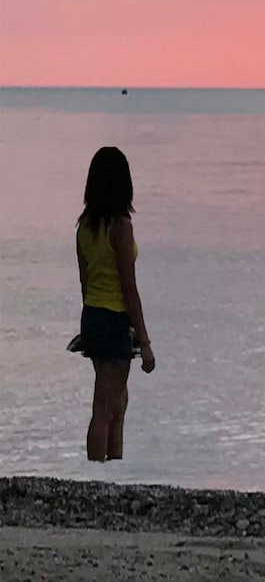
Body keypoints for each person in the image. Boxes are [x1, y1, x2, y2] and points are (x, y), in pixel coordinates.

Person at [74, 147, 155, 462]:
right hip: (114, 317)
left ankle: (114, 472)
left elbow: (85, 281)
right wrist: (144, 341)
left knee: (117, 402)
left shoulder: (85, 228)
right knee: (105, 407)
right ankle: (98, 476)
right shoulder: (120, 228)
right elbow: (128, 287)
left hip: (93, 315)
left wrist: (92, 323)